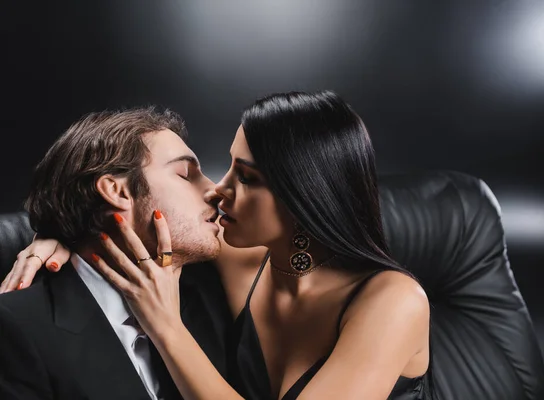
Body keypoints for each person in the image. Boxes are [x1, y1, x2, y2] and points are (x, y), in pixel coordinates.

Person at [2, 91, 433, 399]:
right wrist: (54, 235)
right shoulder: (232, 260)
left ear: (304, 195)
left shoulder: (395, 301)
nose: (217, 190)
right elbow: (113, 220)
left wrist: (166, 327)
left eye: (246, 177)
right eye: (225, 167)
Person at [0, 108, 232, 399]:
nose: (214, 190)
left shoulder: (211, 297)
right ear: (116, 191)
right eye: (185, 174)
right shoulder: (17, 328)